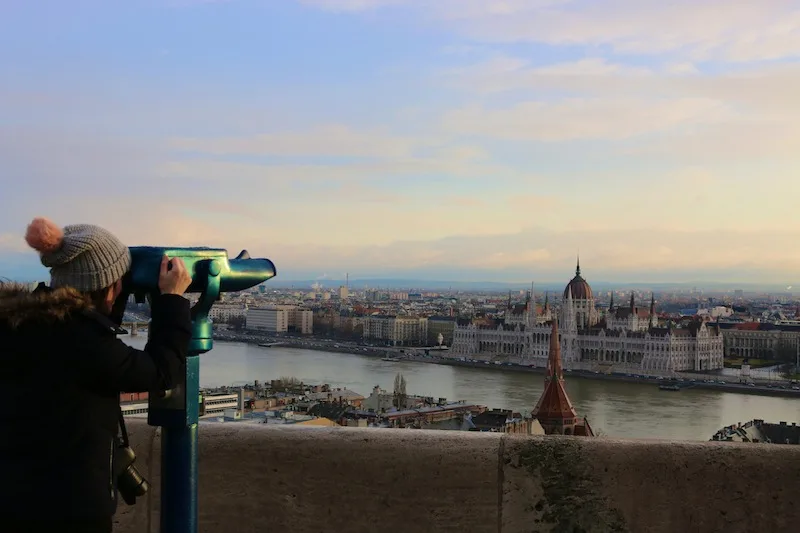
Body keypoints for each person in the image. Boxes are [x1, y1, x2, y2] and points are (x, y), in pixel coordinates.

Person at [0, 217, 193, 533]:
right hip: (69, 508)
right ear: (111, 288)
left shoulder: (16, 326)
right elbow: (159, 373)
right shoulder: (85, 344)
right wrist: (172, 302)